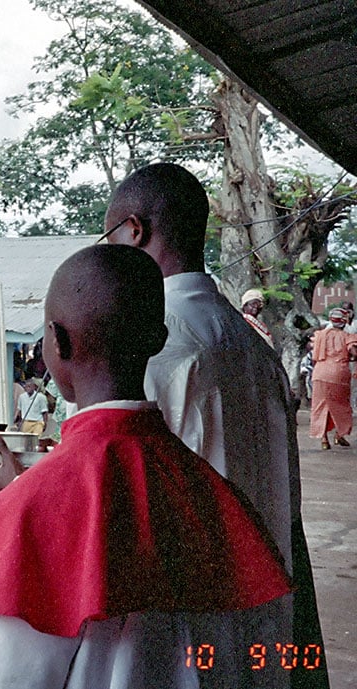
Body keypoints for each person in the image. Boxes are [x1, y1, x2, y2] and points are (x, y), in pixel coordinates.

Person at [0, 245, 292, 688]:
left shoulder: (17, 521)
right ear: (158, 337)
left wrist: (24, 500)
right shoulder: (217, 496)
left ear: (57, 343)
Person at [105, 162, 328, 688]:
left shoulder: (160, 346)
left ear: (135, 230)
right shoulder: (253, 347)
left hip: (191, 617)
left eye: (109, 235)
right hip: (267, 610)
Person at [309, 308, 357, 449]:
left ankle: (324, 439)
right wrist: (352, 358)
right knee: (341, 406)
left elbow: (313, 355)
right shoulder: (348, 336)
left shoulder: (319, 335)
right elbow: (353, 351)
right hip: (338, 375)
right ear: (343, 322)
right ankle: (339, 435)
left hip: (319, 374)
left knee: (320, 406)